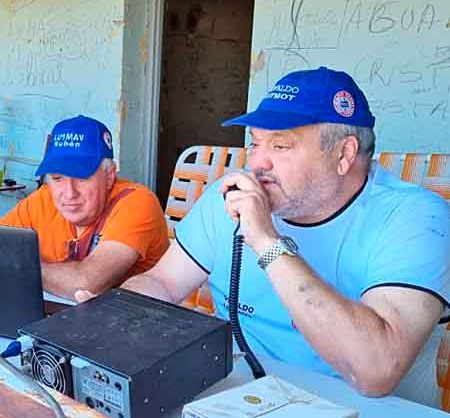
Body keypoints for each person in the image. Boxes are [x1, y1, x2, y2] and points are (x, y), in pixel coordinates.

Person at [79, 67, 450, 407]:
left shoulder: (416, 218)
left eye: (280, 145)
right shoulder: (230, 197)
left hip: (354, 406)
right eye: (255, 143)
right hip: (232, 395)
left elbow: (375, 372)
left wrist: (266, 241)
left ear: (344, 154)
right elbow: (163, 282)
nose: (257, 163)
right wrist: (108, 317)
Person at [0, 115, 169, 299]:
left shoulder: (136, 202)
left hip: (135, 322)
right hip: (60, 319)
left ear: (109, 176)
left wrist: (18, 266)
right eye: (57, 178)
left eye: (82, 178)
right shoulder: (43, 198)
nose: (69, 193)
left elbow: (85, 285)